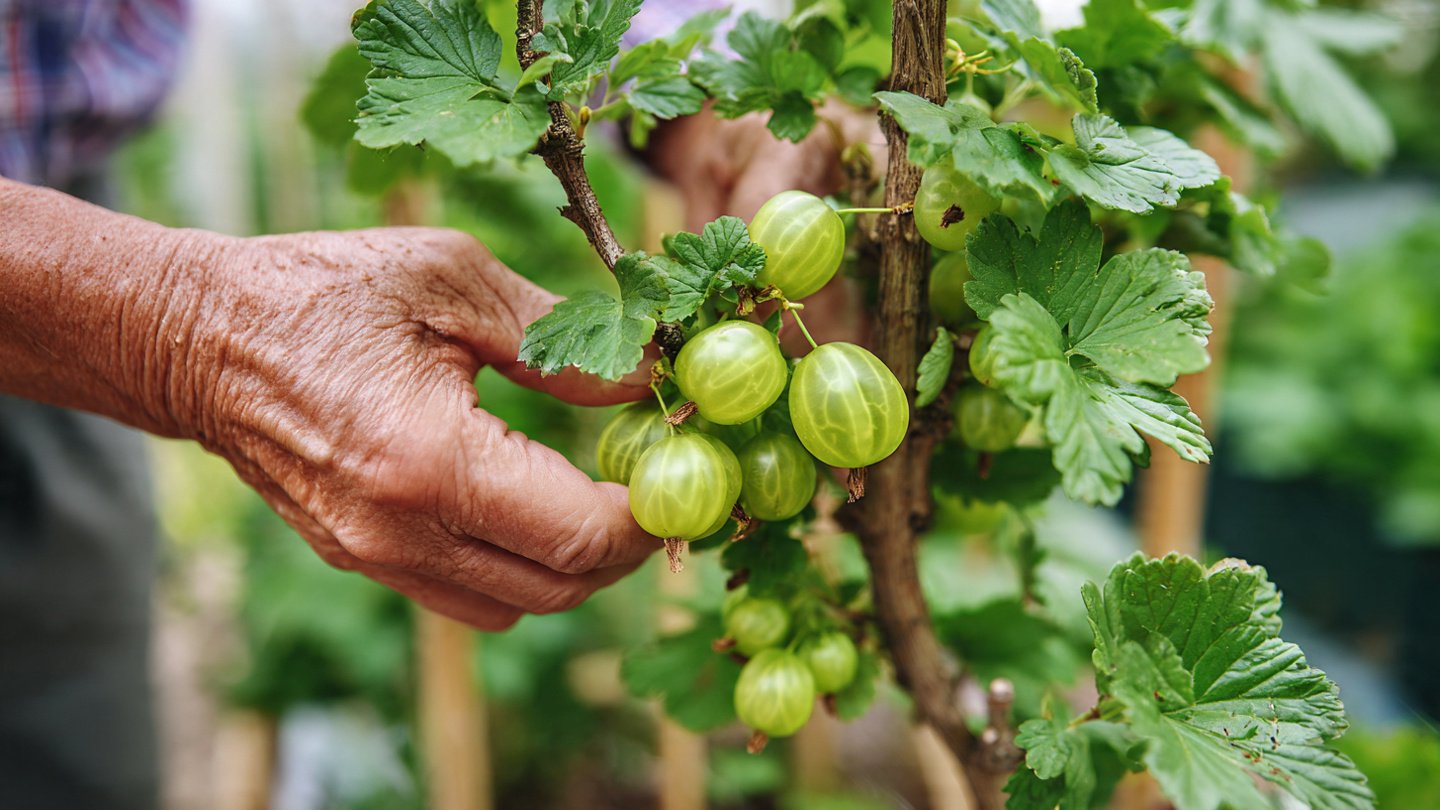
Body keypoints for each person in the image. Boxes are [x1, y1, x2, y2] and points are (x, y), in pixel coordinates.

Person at [0, 2, 867, 808]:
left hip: (63, 207)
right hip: (78, 269)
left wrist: (693, 91)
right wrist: (178, 331)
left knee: (77, 740)